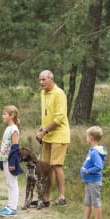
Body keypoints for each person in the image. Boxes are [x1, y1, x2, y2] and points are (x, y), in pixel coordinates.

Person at [35, 70, 70, 207]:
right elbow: (46, 114)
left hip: (59, 134)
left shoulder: (59, 93)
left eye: (43, 80)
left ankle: (62, 197)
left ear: (51, 79)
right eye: (40, 80)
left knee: (56, 165)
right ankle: (46, 197)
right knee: (46, 167)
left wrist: (44, 131)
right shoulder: (43, 93)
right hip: (47, 134)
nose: (41, 82)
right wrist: (42, 127)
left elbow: (60, 117)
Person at [76, 126, 108, 219]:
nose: (86, 138)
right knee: (87, 201)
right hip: (88, 181)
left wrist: (88, 171)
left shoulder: (95, 152)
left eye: (87, 136)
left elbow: (99, 166)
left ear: (91, 137)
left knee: (96, 202)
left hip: (94, 181)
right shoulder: (92, 150)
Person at [0, 105, 23, 217]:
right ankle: (9, 205)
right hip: (5, 159)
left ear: (12, 115)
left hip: (11, 160)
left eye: (5, 114)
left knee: (13, 183)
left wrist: (12, 162)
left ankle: (13, 208)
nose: (2, 116)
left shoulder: (14, 129)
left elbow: (14, 147)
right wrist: (1, 160)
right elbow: (4, 146)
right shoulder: (7, 128)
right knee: (9, 183)